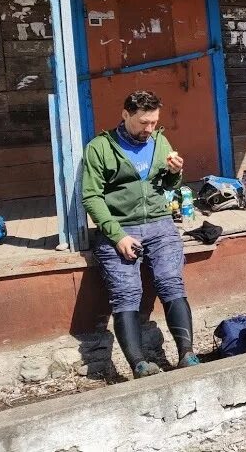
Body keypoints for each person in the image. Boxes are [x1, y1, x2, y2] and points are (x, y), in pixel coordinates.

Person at [82, 90, 200, 378]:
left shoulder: (160, 141)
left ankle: (187, 354)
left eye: (154, 122)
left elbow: (168, 183)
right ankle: (139, 365)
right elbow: (91, 197)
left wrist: (176, 172)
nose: (149, 129)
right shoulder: (99, 147)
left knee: (171, 283)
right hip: (121, 228)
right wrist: (117, 235)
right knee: (127, 294)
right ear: (126, 115)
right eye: (143, 123)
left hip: (160, 224)